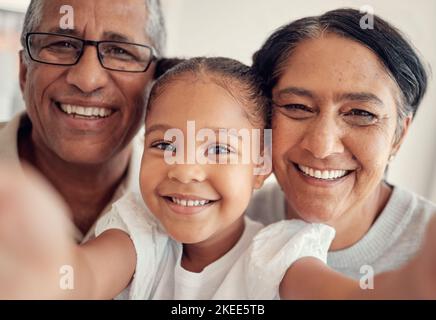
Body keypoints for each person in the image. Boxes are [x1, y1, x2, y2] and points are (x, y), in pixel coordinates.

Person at [2, 57, 436, 300]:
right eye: (164, 145)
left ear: (261, 163)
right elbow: (86, 277)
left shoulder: (280, 250)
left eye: (219, 150)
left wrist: (410, 285)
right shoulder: (139, 230)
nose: (185, 169)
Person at [248, 8, 435, 279]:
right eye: (297, 106)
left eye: (361, 113)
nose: (322, 147)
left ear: (399, 135)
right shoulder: (225, 227)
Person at [0, 0, 166, 243]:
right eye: (63, 44)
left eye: (120, 51)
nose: (87, 80)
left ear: (154, 82)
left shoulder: (193, 205)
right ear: (24, 71)